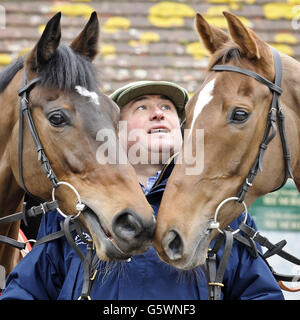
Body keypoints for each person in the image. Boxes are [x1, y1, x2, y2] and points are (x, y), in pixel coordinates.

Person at [0, 81, 284, 300]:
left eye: (167, 108)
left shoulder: (223, 208)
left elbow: (260, 292)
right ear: (116, 133)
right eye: (142, 108)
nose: (158, 114)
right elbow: (26, 289)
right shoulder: (73, 207)